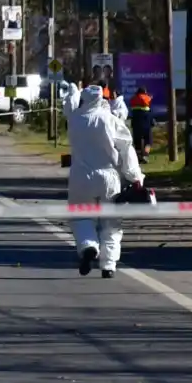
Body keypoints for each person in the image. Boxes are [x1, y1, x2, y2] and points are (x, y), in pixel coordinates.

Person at [60, 83, 145, 279]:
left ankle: (88, 246)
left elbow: (69, 105)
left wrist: (73, 90)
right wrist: (135, 177)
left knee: (81, 217)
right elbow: (126, 149)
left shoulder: (74, 119)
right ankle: (109, 265)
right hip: (109, 177)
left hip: (81, 176)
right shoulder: (111, 120)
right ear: (102, 99)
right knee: (111, 222)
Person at [129, 86, 153, 163]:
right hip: (146, 121)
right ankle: (145, 155)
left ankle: (139, 157)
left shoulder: (133, 99)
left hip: (136, 122)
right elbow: (149, 103)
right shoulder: (147, 98)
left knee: (137, 141)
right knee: (148, 140)